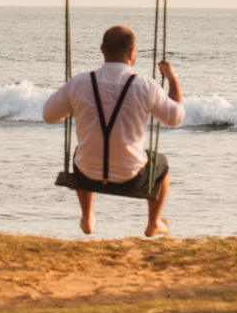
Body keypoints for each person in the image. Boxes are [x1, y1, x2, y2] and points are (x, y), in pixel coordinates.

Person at [43, 24, 184, 238]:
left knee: (81, 152)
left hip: (86, 176)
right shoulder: (145, 86)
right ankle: (153, 222)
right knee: (161, 163)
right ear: (131, 52)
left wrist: (72, 112)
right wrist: (173, 79)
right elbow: (175, 118)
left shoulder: (79, 83)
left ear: (102, 49)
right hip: (132, 177)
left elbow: (49, 116)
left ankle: (87, 217)